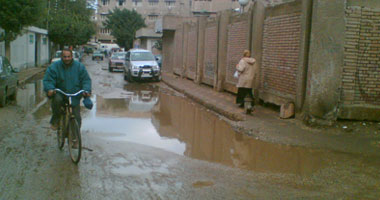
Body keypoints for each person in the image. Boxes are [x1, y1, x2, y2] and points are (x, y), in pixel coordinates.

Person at [43, 48, 92, 130]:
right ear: (61, 57)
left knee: (76, 116)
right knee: (57, 101)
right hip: (60, 93)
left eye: (68, 57)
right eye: (65, 57)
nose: (67, 59)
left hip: (74, 94)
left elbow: (86, 80)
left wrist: (86, 90)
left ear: (72, 56)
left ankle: (75, 137)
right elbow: (48, 80)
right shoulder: (54, 66)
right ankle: (56, 120)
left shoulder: (79, 67)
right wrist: (50, 89)